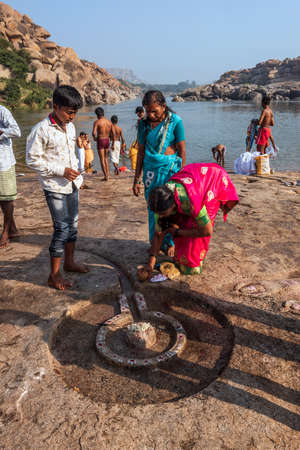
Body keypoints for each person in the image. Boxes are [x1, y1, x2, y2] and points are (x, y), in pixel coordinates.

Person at [26, 85, 89, 290]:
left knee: (73, 226)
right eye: (69, 112)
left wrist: (76, 168)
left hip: (72, 184)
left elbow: (69, 152)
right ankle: (54, 275)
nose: (72, 116)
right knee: (61, 228)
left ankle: (69, 263)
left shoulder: (69, 127)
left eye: (75, 112)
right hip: (54, 186)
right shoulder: (41, 129)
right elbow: (32, 160)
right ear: (55, 106)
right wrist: (61, 170)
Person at [140, 163, 239, 278]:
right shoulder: (160, 203)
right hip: (193, 176)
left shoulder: (192, 201)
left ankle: (196, 260)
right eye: (158, 214)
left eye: (163, 214)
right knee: (179, 227)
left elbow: (207, 231)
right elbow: (158, 234)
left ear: (173, 205)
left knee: (191, 264)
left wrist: (178, 232)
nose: (160, 216)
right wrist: (150, 265)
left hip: (211, 179)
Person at [133, 90, 186, 255]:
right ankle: (155, 242)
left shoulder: (175, 122)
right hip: (150, 173)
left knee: (170, 207)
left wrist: (182, 177)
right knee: (153, 207)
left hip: (169, 172)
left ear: (163, 106)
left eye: (154, 111)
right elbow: (141, 152)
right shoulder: (143, 125)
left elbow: (182, 150)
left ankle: (170, 242)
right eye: (147, 110)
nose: (150, 114)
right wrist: (136, 180)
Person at [0, 105, 21, 248]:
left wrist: (1, 132)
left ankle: (6, 232)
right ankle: (13, 229)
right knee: (1, 198)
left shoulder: (2, 111)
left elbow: (16, 131)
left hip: (3, 162)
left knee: (6, 199)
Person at [92, 107, 112, 181]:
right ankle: (108, 175)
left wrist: (95, 138)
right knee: (106, 158)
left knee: (102, 159)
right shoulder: (109, 122)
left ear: (97, 114)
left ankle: (106, 176)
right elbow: (111, 133)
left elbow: (94, 133)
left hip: (100, 140)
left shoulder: (97, 122)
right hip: (107, 140)